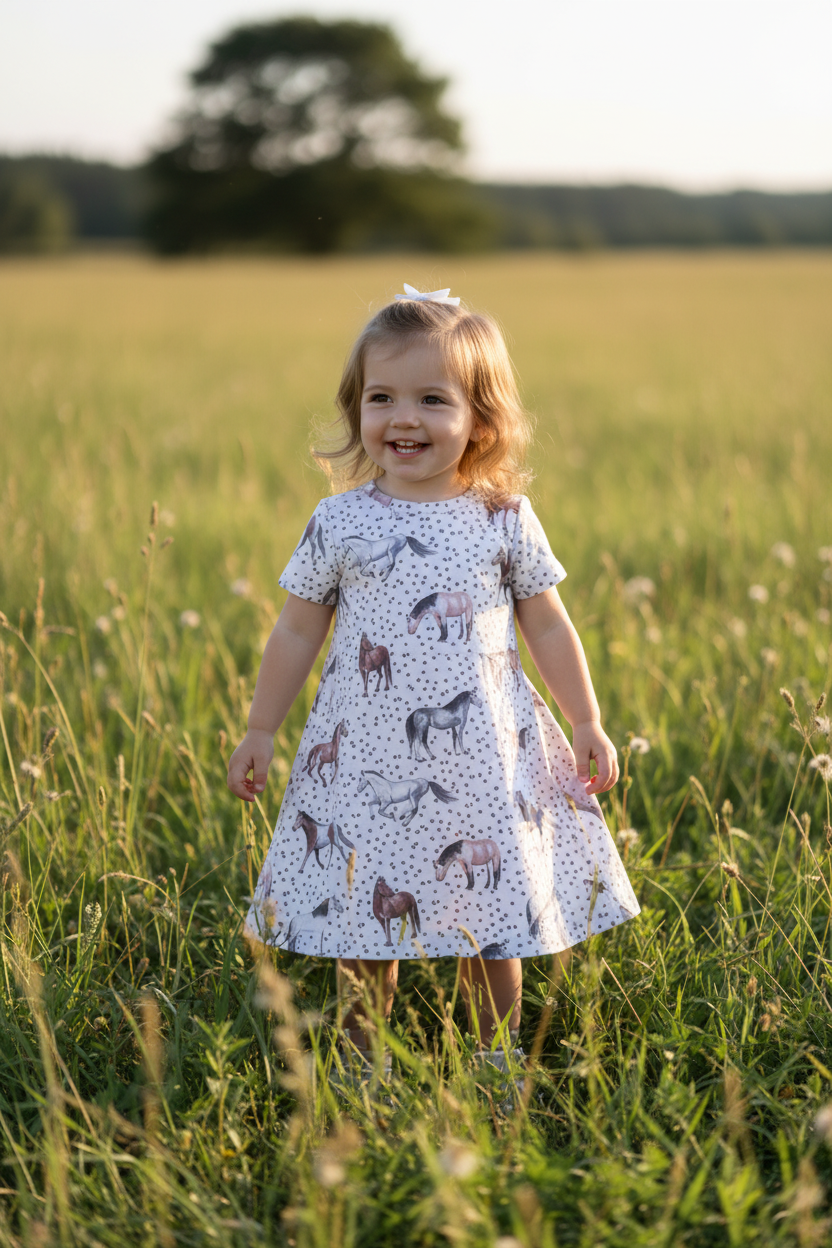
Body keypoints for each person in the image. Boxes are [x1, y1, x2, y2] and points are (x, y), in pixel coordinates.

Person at [227, 284, 639, 1089]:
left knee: (492, 923)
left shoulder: (503, 518)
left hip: (485, 758)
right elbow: (296, 631)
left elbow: (548, 625)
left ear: (480, 419)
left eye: (431, 399)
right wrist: (261, 728)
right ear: (356, 409)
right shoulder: (339, 521)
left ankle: (492, 1060)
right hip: (365, 756)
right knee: (360, 920)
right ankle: (359, 1064)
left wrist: (585, 719)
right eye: (381, 397)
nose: (402, 418)